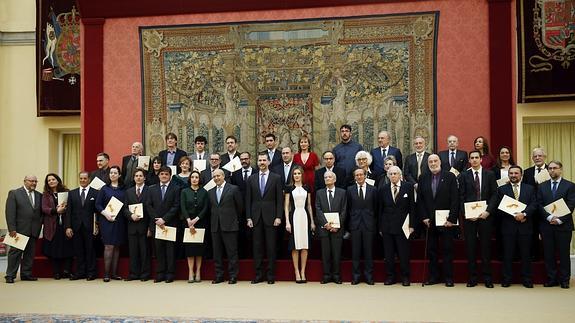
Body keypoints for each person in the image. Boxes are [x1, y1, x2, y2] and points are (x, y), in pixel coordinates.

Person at [417, 154, 459, 287]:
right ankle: (433, 277)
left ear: (440, 162)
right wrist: (424, 217)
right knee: (432, 251)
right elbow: (420, 200)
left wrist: (452, 219)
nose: (433, 163)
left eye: (435, 161)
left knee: (447, 250)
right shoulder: (422, 178)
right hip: (429, 221)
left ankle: (448, 278)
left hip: (446, 221)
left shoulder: (449, 176)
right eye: (430, 161)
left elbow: (455, 199)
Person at [460, 150, 498, 288]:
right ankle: (472, 278)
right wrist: (466, 214)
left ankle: (487, 278)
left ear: (481, 159)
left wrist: (488, 211)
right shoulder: (464, 175)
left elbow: (495, 195)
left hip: (485, 217)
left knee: (485, 247)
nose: (474, 160)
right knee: (470, 248)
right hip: (470, 218)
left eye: (477, 157)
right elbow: (461, 196)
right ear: (469, 160)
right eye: (472, 158)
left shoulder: (490, 174)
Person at [246, 152, 284, 284]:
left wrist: (279, 216)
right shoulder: (251, 178)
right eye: (260, 160)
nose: (262, 162)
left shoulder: (276, 178)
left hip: (271, 217)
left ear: (268, 162)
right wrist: (249, 217)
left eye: (264, 160)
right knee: (257, 247)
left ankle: (271, 275)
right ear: (257, 162)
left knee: (271, 247)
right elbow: (248, 200)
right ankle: (258, 275)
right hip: (255, 218)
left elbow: (280, 199)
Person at [497, 165, 537, 288]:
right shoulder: (502, 189)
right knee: (507, 255)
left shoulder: (530, 189)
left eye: (516, 173)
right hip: (508, 226)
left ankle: (527, 279)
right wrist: (514, 215)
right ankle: (507, 279)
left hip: (525, 225)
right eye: (511, 173)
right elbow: (498, 206)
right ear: (508, 175)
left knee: (526, 255)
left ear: (521, 175)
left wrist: (524, 214)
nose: (513, 175)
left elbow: (534, 204)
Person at [537, 161, 575, 289]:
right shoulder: (542, 186)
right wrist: (549, 217)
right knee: (549, 254)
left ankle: (565, 280)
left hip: (563, 226)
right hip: (546, 225)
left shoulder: (570, 186)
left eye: (555, 168)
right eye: (550, 168)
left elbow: (571, 205)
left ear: (561, 169)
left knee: (564, 254)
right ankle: (552, 279)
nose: (552, 170)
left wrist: (559, 219)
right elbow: (539, 205)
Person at [378, 166, 415, 286]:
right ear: (388, 176)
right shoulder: (383, 189)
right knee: (388, 254)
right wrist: (380, 227)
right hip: (387, 226)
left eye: (395, 173)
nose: (393, 176)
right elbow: (380, 209)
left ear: (400, 175)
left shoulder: (408, 187)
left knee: (403, 253)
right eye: (391, 174)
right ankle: (390, 277)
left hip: (403, 226)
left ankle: (405, 277)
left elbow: (412, 207)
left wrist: (412, 225)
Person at [4, 175, 43, 283]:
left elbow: (40, 213)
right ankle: (10, 275)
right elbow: (10, 213)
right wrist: (12, 228)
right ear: (25, 181)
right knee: (15, 253)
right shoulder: (14, 193)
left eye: (35, 181)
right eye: (31, 181)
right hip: (18, 230)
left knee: (30, 254)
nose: (34, 183)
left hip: (34, 230)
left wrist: (39, 226)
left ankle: (26, 274)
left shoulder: (39, 195)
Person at [146, 166, 181, 283]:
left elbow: (176, 206)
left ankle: (170, 274)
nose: (164, 176)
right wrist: (157, 219)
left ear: (170, 176)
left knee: (170, 250)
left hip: (169, 223)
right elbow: (148, 205)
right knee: (158, 250)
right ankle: (160, 273)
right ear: (158, 175)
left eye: (166, 174)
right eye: (162, 174)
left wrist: (164, 219)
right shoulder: (151, 189)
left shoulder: (176, 188)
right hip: (156, 224)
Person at [208, 169, 243, 284]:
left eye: (218, 176)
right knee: (217, 253)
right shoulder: (211, 191)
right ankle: (219, 275)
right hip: (215, 227)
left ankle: (233, 276)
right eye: (214, 176)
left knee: (232, 252)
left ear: (223, 176)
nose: (216, 178)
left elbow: (240, 208)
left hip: (230, 225)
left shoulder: (233, 189)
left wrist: (234, 221)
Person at [284, 166, 316, 283]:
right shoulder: (289, 188)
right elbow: (286, 206)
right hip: (294, 216)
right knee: (295, 245)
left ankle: (303, 271)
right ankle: (296, 271)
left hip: (304, 216)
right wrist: (287, 221)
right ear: (292, 176)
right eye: (295, 174)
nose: (297, 175)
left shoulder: (307, 187)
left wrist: (312, 221)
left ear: (302, 175)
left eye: (299, 173)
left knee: (304, 245)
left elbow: (309, 205)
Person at [95, 166, 127, 282]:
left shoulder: (123, 189)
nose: (112, 175)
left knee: (117, 246)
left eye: (115, 173)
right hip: (106, 220)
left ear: (119, 175)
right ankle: (106, 274)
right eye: (111, 173)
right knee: (109, 246)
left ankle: (114, 273)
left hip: (119, 221)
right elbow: (98, 205)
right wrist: (105, 214)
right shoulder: (104, 189)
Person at [65, 171, 99, 280]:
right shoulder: (72, 193)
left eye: (85, 178)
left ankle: (91, 273)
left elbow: (97, 211)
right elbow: (68, 212)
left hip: (90, 227)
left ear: (89, 179)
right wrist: (68, 227)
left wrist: (97, 226)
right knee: (78, 250)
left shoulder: (96, 193)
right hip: (76, 226)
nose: (83, 180)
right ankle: (80, 272)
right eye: (81, 178)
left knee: (90, 250)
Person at [346, 168, 377, 285]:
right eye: (357, 175)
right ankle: (356, 276)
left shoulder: (373, 190)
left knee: (369, 252)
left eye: (361, 175)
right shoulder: (350, 190)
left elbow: (376, 207)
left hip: (369, 225)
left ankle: (369, 276)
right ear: (354, 177)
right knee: (355, 252)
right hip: (355, 225)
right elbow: (348, 207)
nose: (359, 177)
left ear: (365, 176)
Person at [315, 170, 347, 284]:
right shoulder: (319, 193)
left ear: (334, 179)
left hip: (337, 229)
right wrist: (325, 224)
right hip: (324, 228)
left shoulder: (342, 192)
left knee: (337, 253)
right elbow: (318, 209)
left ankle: (336, 275)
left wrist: (337, 225)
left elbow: (344, 210)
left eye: (329, 177)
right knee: (325, 253)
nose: (327, 179)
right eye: (325, 177)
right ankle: (326, 275)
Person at [41, 173, 73, 279]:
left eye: (53, 179)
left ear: (58, 180)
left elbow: (72, 207)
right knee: (54, 248)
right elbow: (44, 208)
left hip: (65, 224)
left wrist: (66, 207)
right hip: (52, 225)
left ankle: (66, 270)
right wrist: (56, 210)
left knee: (68, 247)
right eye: (49, 180)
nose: (51, 181)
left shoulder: (67, 192)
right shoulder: (46, 194)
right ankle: (56, 272)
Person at [123, 168, 151, 281]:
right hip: (132, 226)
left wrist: (150, 227)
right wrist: (130, 216)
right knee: (133, 252)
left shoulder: (150, 190)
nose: (138, 178)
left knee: (145, 252)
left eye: (140, 176)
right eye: (136, 176)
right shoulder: (128, 192)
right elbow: (124, 209)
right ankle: (133, 274)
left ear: (144, 178)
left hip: (145, 226)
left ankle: (145, 274)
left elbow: (151, 210)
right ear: (134, 178)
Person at [180, 170, 208, 283]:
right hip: (187, 223)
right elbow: (183, 207)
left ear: (199, 179)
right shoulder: (184, 191)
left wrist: (196, 219)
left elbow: (206, 207)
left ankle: (199, 272)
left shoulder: (204, 192)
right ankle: (191, 272)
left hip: (200, 223)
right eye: (193, 177)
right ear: (190, 179)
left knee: (199, 249)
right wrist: (189, 220)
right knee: (190, 249)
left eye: (197, 177)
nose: (195, 179)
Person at [230, 151, 257, 258]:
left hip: (254, 208)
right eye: (241, 159)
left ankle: (252, 256)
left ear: (250, 159)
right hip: (239, 209)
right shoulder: (235, 174)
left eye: (246, 159)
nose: (244, 161)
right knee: (240, 234)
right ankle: (241, 256)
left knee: (253, 234)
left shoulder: (256, 172)